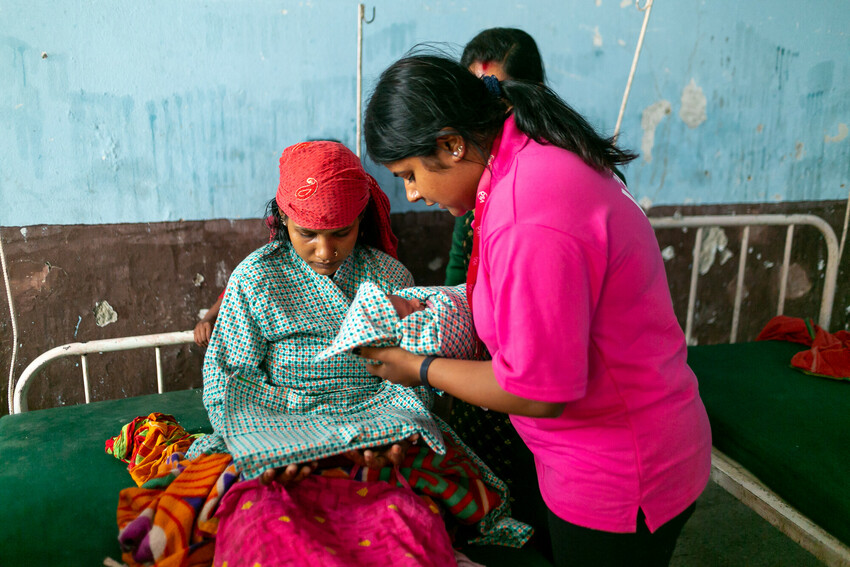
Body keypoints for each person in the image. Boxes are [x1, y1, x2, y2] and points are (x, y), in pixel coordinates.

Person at [361, 53, 712, 567]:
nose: (414, 194)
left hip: (620, 470)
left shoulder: (527, 212)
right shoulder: (520, 165)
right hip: (612, 449)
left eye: (409, 175)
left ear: (452, 144)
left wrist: (417, 368)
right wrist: (432, 303)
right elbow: (527, 295)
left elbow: (535, 391)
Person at [186, 140, 531, 551]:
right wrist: (267, 444)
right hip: (281, 425)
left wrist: (397, 433)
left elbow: (409, 375)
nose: (325, 251)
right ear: (282, 218)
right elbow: (231, 377)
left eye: (340, 233)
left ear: (360, 219)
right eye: (307, 234)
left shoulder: (388, 275)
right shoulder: (254, 280)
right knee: (268, 526)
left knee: (402, 524)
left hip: (375, 425)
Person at [444, 27, 546, 288]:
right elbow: (459, 268)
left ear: (535, 93)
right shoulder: (477, 175)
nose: (486, 119)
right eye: (476, 105)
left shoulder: (569, 167)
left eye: (499, 103)